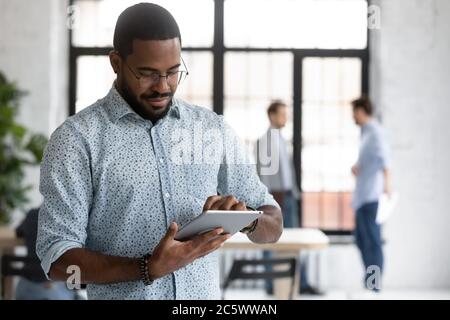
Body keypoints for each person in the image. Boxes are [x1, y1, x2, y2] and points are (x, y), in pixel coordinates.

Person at [36, 3, 282, 300]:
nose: (163, 87)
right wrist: (147, 267)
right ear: (116, 62)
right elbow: (57, 260)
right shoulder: (76, 141)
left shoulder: (211, 130)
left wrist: (248, 219)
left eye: (173, 72)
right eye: (147, 74)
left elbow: (273, 223)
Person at [256, 100, 321, 295]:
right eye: (282, 114)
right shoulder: (265, 141)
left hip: (288, 196)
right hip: (276, 198)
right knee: (270, 238)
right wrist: (270, 202)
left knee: (294, 241)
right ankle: (271, 284)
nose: (286, 117)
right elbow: (265, 176)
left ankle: (297, 283)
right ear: (272, 115)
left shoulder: (280, 139)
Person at [351, 96, 391, 291]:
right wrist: (358, 168)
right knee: (360, 240)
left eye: (354, 112)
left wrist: (388, 186)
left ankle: (374, 284)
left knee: (373, 242)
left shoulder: (375, 131)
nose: (353, 116)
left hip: (372, 197)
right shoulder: (364, 133)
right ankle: (370, 278)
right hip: (361, 197)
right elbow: (370, 160)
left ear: (361, 111)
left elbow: (386, 160)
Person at [14, 207, 79, 300]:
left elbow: (18, 232)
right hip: (56, 291)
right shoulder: (69, 218)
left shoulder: (32, 214)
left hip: (27, 289)